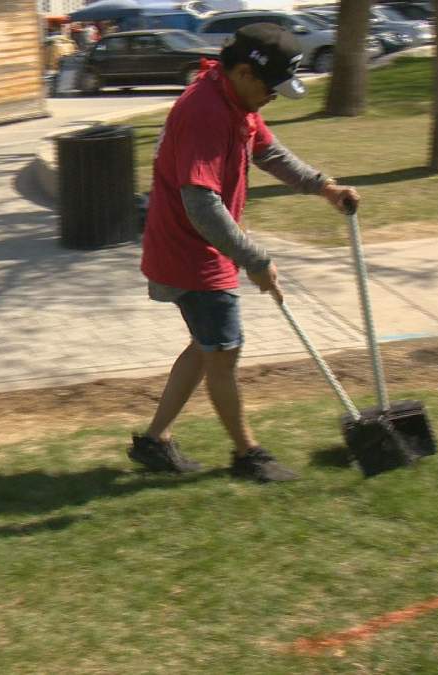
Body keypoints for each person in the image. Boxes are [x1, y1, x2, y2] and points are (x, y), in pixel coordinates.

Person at [130, 23, 360, 483]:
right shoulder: (204, 112)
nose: (273, 96)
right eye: (270, 86)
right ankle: (247, 454)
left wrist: (324, 187)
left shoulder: (235, 99)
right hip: (191, 253)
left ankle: (154, 442)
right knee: (224, 350)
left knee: (206, 345)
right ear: (240, 72)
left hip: (201, 249)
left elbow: (269, 153)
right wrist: (255, 259)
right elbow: (201, 204)